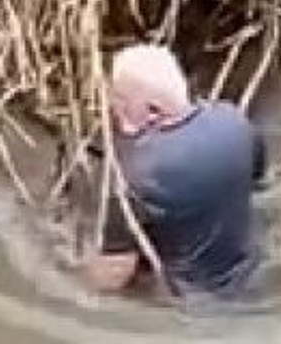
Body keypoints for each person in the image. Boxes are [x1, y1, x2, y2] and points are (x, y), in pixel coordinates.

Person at [81, 43, 268, 305]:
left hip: (189, 304)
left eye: (121, 100)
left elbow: (112, 276)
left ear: (153, 109)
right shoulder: (235, 122)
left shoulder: (133, 177)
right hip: (250, 277)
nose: (114, 107)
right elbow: (257, 183)